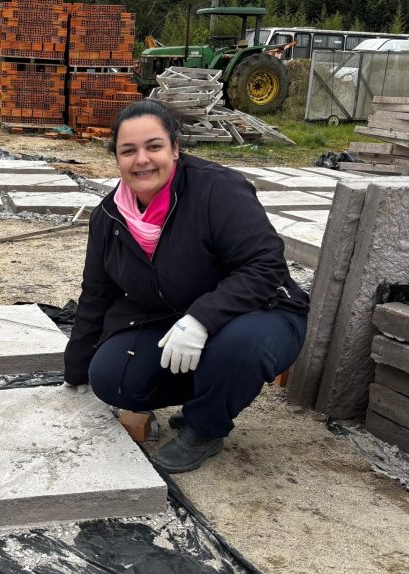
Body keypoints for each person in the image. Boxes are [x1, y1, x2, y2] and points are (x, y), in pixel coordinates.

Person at [63, 100, 309, 473]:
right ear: (116, 157)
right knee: (111, 377)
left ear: (175, 148)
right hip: (172, 315)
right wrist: (76, 370)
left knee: (239, 346)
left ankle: (205, 428)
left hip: (262, 311)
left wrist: (201, 320)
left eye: (154, 146)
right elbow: (97, 295)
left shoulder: (217, 190)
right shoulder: (109, 216)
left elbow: (266, 266)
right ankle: (211, 389)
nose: (142, 159)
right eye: (128, 150)